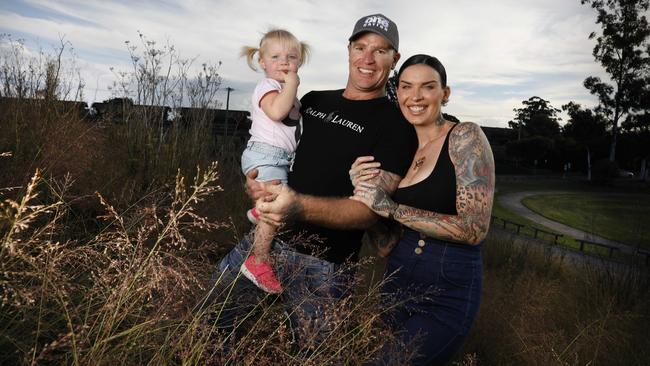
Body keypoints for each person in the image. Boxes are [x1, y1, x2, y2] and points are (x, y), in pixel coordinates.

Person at [204, 13, 417, 346]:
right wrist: (256, 180)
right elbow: (275, 146)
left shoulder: (396, 125)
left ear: (395, 60)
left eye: (380, 50)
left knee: (309, 355)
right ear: (348, 50)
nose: (367, 58)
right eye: (360, 47)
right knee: (209, 323)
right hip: (265, 240)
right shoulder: (314, 100)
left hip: (324, 267)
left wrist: (298, 207)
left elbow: (369, 212)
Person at [349, 54, 495, 365]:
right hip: (397, 276)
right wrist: (362, 192)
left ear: (445, 93)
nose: (415, 97)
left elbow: (474, 229)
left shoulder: (465, 137)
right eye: (406, 87)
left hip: (447, 285)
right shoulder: (401, 149)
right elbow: (386, 245)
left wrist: (391, 209)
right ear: (397, 92)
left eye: (427, 87)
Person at [238, 29, 310, 294]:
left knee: (274, 205)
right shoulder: (268, 86)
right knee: (275, 210)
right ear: (262, 62)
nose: (284, 62)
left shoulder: (286, 92)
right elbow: (277, 112)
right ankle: (258, 261)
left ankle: (259, 211)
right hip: (264, 154)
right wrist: (293, 84)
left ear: (299, 61)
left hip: (278, 158)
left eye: (292, 57)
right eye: (276, 56)